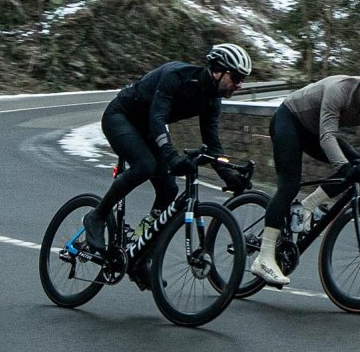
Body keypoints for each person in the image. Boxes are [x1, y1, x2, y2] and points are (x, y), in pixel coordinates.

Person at [83, 43, 253, 252]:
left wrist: (228, 175)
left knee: (169, 189)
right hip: (121, 117)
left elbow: (212, 145)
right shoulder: (177, 76)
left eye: (243, 80)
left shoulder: (212, 101)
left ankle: (140, 248)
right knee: (145, 165)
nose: (240, 85)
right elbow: (158, 117)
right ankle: (97, 216)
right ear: (218, 71)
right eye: (236, 78)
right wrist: (171, 156)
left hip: (147, 129)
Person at [249, 58, 360, 286]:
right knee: (289, 186)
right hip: (289, 120)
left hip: (313, 131)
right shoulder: (339, 90)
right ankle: (263, 258)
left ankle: (308, 206)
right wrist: (344, 168)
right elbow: (327, 136)